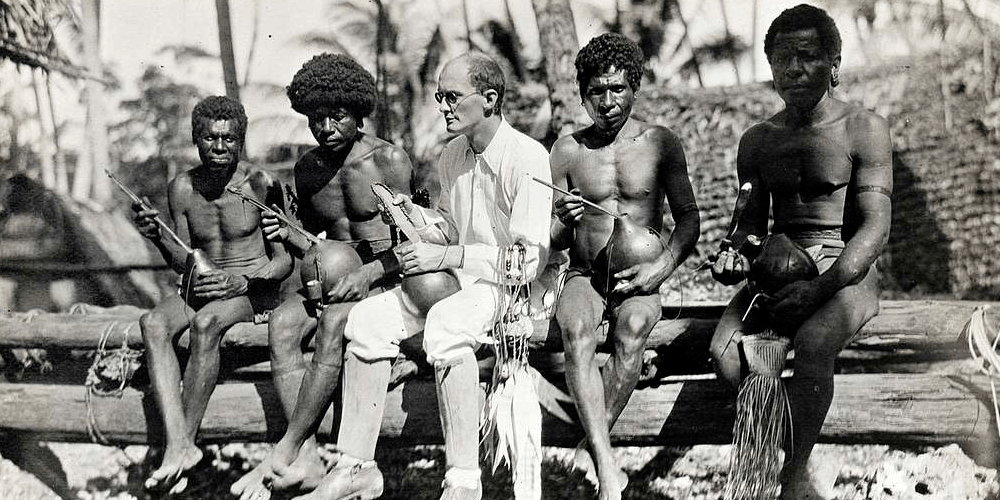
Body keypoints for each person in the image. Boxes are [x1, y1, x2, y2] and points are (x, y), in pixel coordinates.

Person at [293, 52, 552, 500]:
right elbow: (450, 226)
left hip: (512, 290)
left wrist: (447, 254)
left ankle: (463, 481)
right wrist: (416, 216)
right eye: (439, 97)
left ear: (489, 99)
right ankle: (357, 467)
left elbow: (527, 262)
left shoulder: (527, 156)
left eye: (452, 97)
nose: (443, 107)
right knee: (364, 322)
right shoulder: (452, 154)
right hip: (462, 279)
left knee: (447, 326)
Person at [708, 5, 892, 499]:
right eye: (781, 60)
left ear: (834, 63)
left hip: (847, 269)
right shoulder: (757, 141)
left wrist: (819, 290)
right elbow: (747, 228)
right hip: (778, 268)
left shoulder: (863, 128)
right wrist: (734, 259)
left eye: (808, 57)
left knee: (811, 343)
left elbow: (875, 229)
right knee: (724, 353)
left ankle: (794, 473)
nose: (793, 70)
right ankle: (785, 454)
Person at [229, 53, 413, 500]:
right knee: (283, 324)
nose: (326, 127)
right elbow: (312, 245)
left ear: (359, 110)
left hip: (384, 278)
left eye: (338, 115)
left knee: (334, 324)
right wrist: (283, 233)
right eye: (316, 118)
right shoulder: (307, 169)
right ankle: (307, 458)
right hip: (330, 281)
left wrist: (370, 274)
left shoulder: (388, 159)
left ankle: (285, 448)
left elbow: (414, 244)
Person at [549, 33, 700, 500]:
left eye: (618, 89)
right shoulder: (567, 150)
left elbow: (689, 220)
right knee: (576, 331)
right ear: (583, 94)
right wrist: (562, 219)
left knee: (633, 327)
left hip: (641, 277)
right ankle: (607, 464)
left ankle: (586, 452)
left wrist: (661, 271)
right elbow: (553, 242)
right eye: (597, 92)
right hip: (584, 274)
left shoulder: (659, 142)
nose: (608, 102)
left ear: (634, 88)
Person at [133, 95, 293, 495]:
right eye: (210, 139)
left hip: (252, 290)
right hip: (203, 287)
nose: (219, 148)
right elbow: (183, 260)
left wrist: (244, 283)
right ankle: (180, 445)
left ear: (241, 140)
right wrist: (155, 236)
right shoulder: (182, 187)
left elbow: (284, 262)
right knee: (151, 323)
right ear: (196, 139)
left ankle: (180, 445)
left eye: (229, 139)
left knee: (206, 323)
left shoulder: (261, 184)